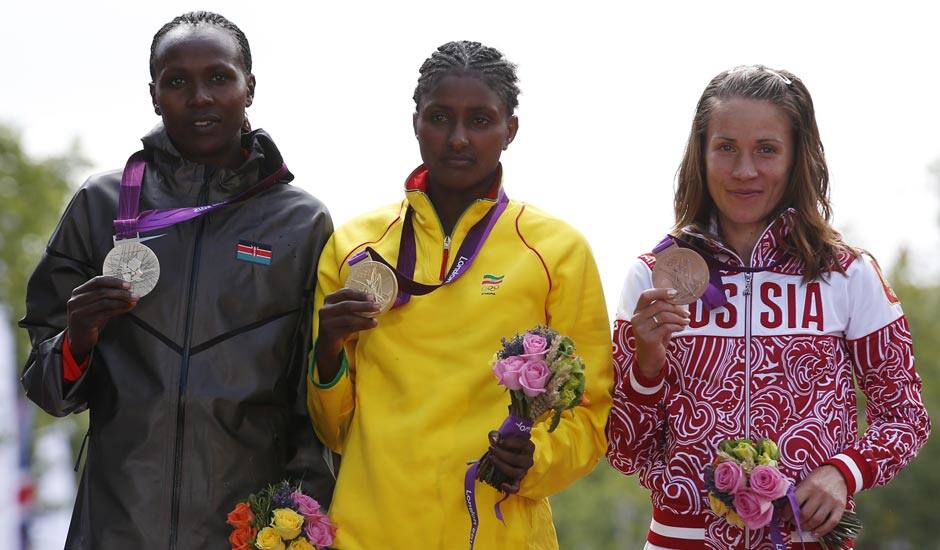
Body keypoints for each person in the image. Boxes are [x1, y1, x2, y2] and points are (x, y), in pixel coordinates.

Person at [20, 12, 334, 548]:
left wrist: (299, 520)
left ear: (249, 87)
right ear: (154, 94)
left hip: (247, 529)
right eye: (177, 81)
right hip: (117, 525)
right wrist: (77, 339)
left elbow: (316, 402)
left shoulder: (301, 224)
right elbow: (48, 389)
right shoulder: (100, 206)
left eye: (218, 77)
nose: (200, 97)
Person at [606, 65, 930, 549]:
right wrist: (647, 365)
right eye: (726, 148)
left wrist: (845, 473)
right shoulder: (651, 277)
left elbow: (904, 416)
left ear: (797, 157)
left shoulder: (848, 273)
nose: (744, 171)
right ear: (701, 154)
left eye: (766, 149)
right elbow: (624, 450)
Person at [307, 40, 612, 549]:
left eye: (481, 120)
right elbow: (333, 429)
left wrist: (535, 459)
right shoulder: (353, 245)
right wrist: (328, 349)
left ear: (510, 129)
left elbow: (589, 414)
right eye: (440, 117)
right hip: (369, 533)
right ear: (415, 122)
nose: (458, 139)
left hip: (500, 534)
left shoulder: (557, 250)